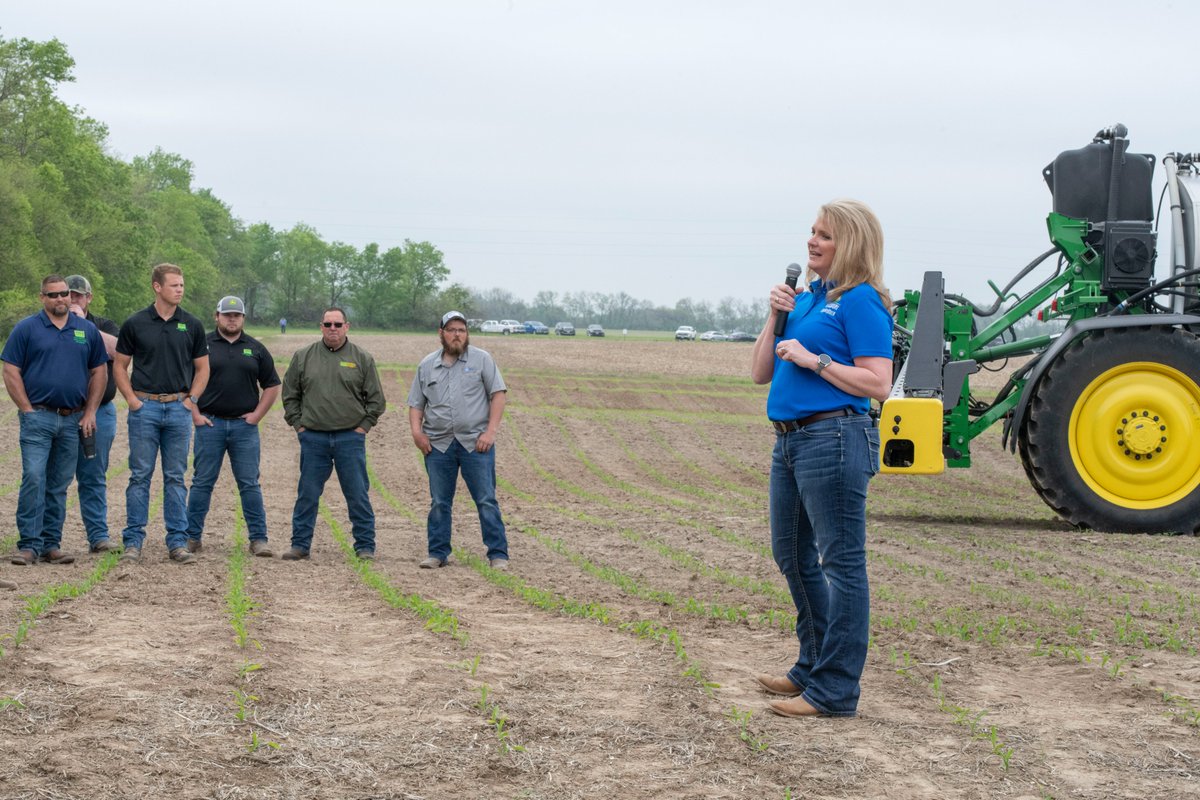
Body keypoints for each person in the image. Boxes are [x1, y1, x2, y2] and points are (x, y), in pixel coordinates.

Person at [750, 199, 893, 718]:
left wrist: (817, 360)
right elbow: (760, 373)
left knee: (842, 564)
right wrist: (775, 318)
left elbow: (879, 383)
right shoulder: (807, 299)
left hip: (834, 437)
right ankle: (811, 666)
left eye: (825, 236)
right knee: (790, 554)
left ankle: (835, 691)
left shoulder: (861, 302)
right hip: (788, 440)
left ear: (851, 243)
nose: (812, 242)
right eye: (811, 232)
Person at [3, 275, 108, 567]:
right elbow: (11, 369)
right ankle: (28, 545)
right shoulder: (27, 328)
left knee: (59, 484)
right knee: (34, 477)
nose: (61, 299)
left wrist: (89, 412)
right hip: (38, 417)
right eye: (53, 295)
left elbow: (100, 371)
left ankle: (51, 544)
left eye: (64, 294)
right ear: (42, 298)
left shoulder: (85, 330)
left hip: (72, 419)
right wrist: (26, 409)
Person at [113, 263, 209, 564]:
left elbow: (203, 368)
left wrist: (191, 400)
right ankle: (133, 542)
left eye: (182, 285)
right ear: (157, 287)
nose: (180, 289)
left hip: (179, 410)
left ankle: (177, 542)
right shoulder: (135, 323)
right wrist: (131, 400)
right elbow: (119, 365)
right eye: (174, 285)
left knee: (175, 477)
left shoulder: (191, 324)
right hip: (145, 409)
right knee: (140, 476)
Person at [408, 310, 510, 570]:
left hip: (476, 444)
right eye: (451, 329)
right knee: (440, 501)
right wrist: (417, 433)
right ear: (441, 333)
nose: (457, 334)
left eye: (461, 330)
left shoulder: (482, 360)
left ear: (467, 334)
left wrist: (490, 432)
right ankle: (437, 553)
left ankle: (498, 554)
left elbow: (498, 394)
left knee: (486, 499)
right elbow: (416, 404)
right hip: (438, 444)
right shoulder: (427, 365)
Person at [281, 308, 385, 560]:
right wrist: (299, 425)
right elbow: (290, 394)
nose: (333, 328)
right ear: (321, 326)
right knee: (307, 493)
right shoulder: (304, 356)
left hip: (350, 438)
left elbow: (376, 400)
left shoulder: (362, 358)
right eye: (328, 324)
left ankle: (365, 546)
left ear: (347, 326)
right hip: (313, 438)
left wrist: (362, 428)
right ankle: (300, 544)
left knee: (357, 493)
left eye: (338, 324)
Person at [185, 296, 282, 557]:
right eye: (226, 314)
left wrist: (256, 416)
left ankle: (258, 539)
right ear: (216, 316)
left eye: (236, 315)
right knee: (202, 483)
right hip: (209, 424)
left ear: (243, 318)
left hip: (244, 428)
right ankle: (191, 537)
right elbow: (185, 382)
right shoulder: (201, 345)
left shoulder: (256, 348)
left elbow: (272, 385)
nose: (231, 319)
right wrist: (195, 413)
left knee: (249, 484)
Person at [65, 275, 122, 553]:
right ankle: (43, 539)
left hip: (100, 411)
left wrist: (83, 326)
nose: (73, 299)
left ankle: (98, 537)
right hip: (63, 413)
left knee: (93, 476)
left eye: (78, 295)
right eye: (68, 294)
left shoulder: (102, 325)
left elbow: (120, 351)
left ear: (89, 298)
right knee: (55, 477)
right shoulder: (52, 324)